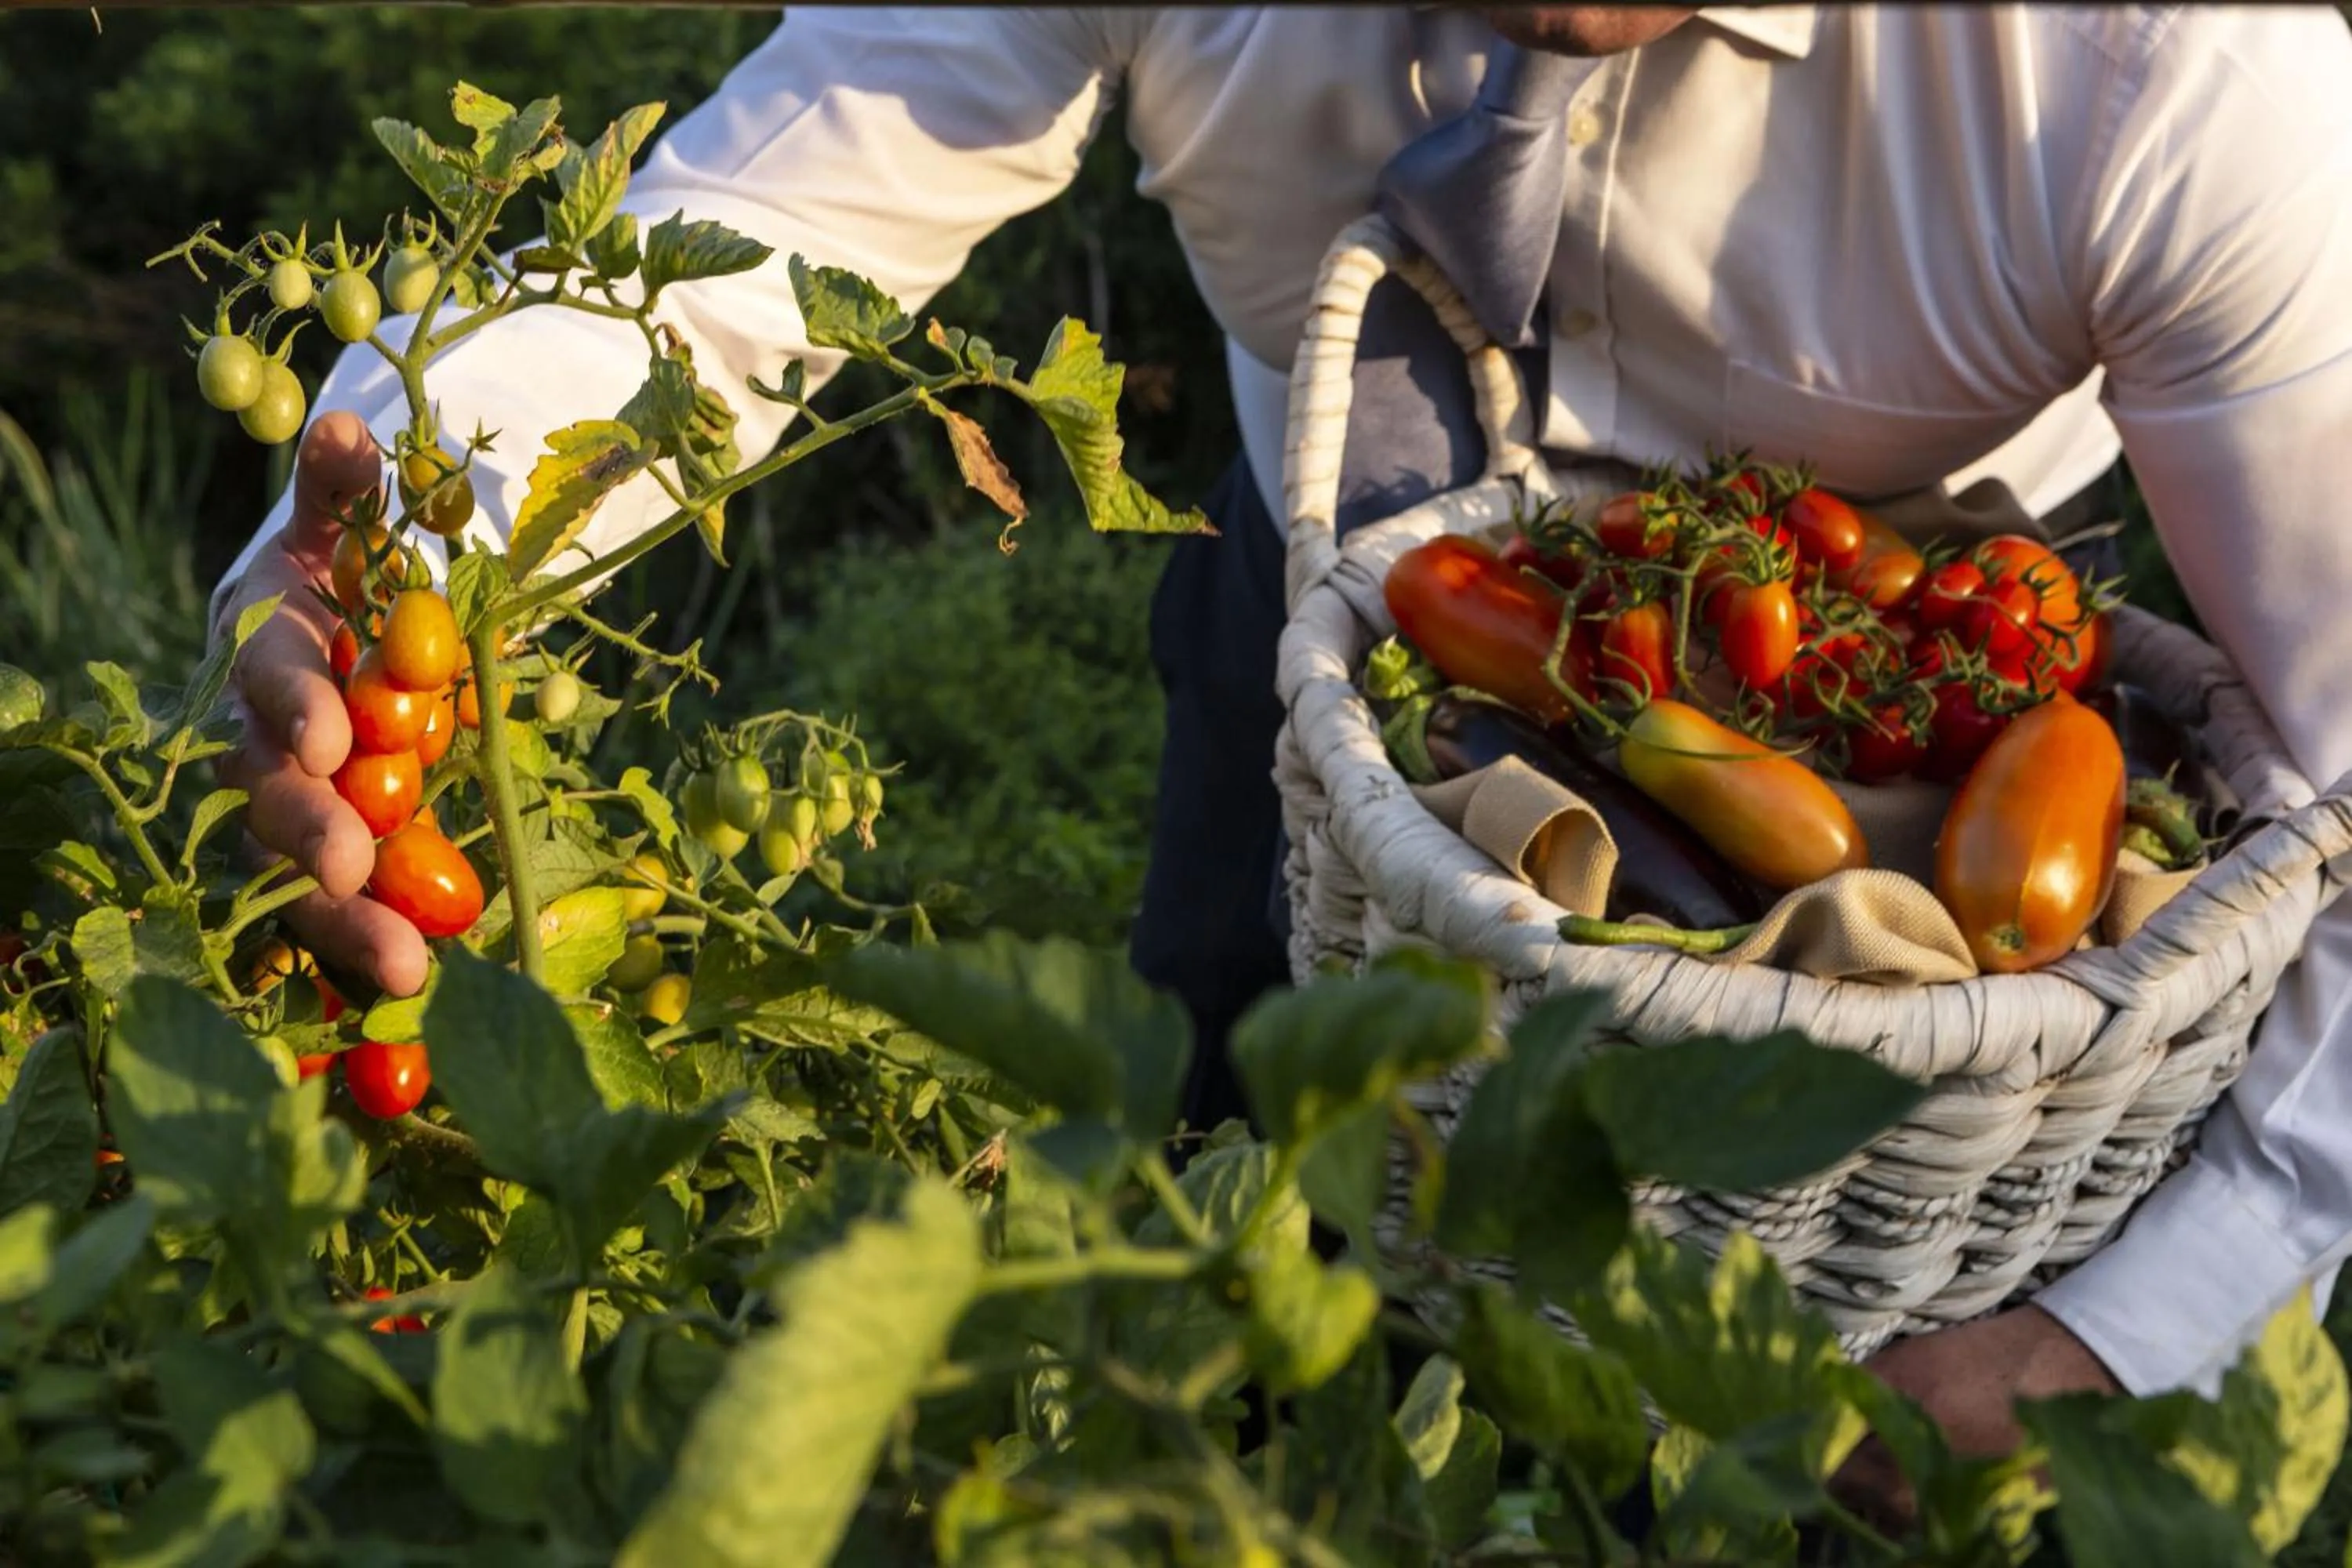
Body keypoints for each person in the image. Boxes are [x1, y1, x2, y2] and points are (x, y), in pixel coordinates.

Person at [209, 3, 2352, 1523]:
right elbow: (736, 255)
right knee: (1231, 1188)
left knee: (1770, 1415)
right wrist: (385, 558)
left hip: (1898, 732)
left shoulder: (2155, 69)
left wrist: (2116, 1329)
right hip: (1308, 615)